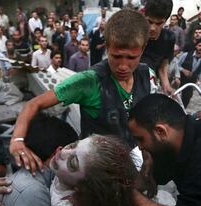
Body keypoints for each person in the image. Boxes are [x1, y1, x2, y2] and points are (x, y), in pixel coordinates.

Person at [9, 9, 157, 173]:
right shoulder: (89, 81)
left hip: (130, 162)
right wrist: (17, 140)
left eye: (131, 58)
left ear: (142, 49)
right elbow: (33, 104)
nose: (123, 66)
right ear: (106, 47)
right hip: (97, 171)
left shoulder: (146, 75)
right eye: (116, 56)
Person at [141, 0, 175, 95]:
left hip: (150, 86)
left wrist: (167, 86)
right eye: (150, 22)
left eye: (159, 23)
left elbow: (162, 66)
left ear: (165, 21)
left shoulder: (169, 38)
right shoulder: (134, 33)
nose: (153, 28)